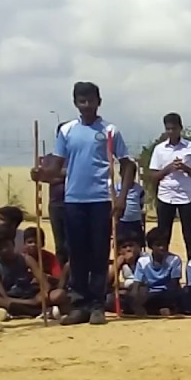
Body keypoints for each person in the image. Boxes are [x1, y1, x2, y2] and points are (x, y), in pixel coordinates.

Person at [33, 81, 136, 326]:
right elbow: (55, 167)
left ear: (99, 101)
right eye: (82, 101)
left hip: (101, 200)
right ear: (75, 102)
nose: (86, 105)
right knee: (76, 254)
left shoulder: (110, 130)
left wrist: (121, 198)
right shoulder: (67, 131)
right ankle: (79, 305)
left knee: (99, 254)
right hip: (73, 201)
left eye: (90, 100)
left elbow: (128, 164)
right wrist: (41, 174)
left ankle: (97, 305)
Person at [148, 113, 191, 259]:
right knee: (163, 235)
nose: (171, 132)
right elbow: (153, 176)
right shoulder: (159, 149)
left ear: (180, 128)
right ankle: (163, 268)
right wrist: (169, 168)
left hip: (187, 196)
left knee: (190, 235)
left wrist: (185, 168)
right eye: (168, 129)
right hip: (166, 196)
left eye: (174, 128)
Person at [0, 226, 53, 320]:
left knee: (58, 294)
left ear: (13, 244)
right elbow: (4, 296)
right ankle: (34, 311)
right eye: (0, 248)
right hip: (12, 299)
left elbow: (44, 282)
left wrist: (43, 293)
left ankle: (17, 312)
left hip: (28, 293)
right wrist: (31, 302)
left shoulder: (26, 259)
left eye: (6, 246)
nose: (5, 250)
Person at [131, 227, 183, 316]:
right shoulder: (143, 261)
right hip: (149, 294)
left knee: (182, 295)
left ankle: (154, 310)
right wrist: (134, 299)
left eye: (165, 244)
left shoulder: (174, 260)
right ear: (151, 246)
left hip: (166, 293)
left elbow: (174, 285)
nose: (162, 248)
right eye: (158, 245)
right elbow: (136, 285)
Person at [41, 146, 68, 265]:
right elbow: (45, 177)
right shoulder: (50, 158)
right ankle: (61, 274)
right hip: (56, 205)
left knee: (74, 242)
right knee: (60, 244)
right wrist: (67, 174)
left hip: (75, 204)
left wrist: (55, 173)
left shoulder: (75, 156)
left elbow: (81, 173)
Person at [115, 177, 147, 247]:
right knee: (121, 244)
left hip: (135, 221)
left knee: (137, 244)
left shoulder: (139, 189)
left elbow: (141, 203)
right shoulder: (116, 187)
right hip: (122, 221)